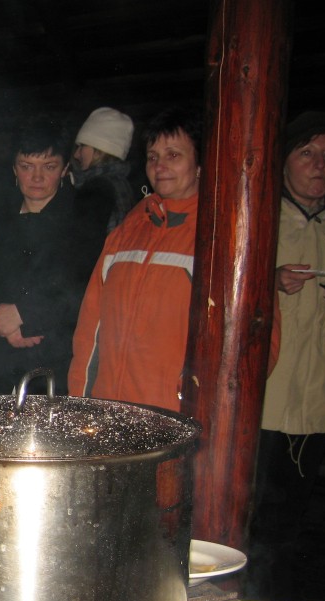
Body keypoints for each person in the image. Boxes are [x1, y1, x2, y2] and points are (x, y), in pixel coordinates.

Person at [247, 111, 325, 601]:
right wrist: (269, 281)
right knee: (248, 520)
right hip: (262, 400)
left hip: (320, 403)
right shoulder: (261, 217)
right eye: (307, 153)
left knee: (289, 525)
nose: (319, 164)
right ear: (284, 162)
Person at [0, 118, 108, 395]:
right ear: (14, 168)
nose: (37, 178)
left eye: (49, 167)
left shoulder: (84, 219)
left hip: (53, 363)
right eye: (26, 166)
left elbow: (85, 289)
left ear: (65, 169)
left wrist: (25, 314)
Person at [68, 106, 204, 411]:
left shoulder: (218, 236)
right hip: (112, 410)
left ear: (199, 165)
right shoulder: (131, 226)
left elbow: (252, 342)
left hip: (173, 417)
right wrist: (80, 402)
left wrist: (194, 401)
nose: (160, 166)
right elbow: (91, 323)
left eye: (173, 155)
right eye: (153, 157)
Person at [71, 106, 138, 232]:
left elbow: (82, 240)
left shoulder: (96, 190)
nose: (76, 154)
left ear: (99, 151)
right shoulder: (121, 184)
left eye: (83, 146)